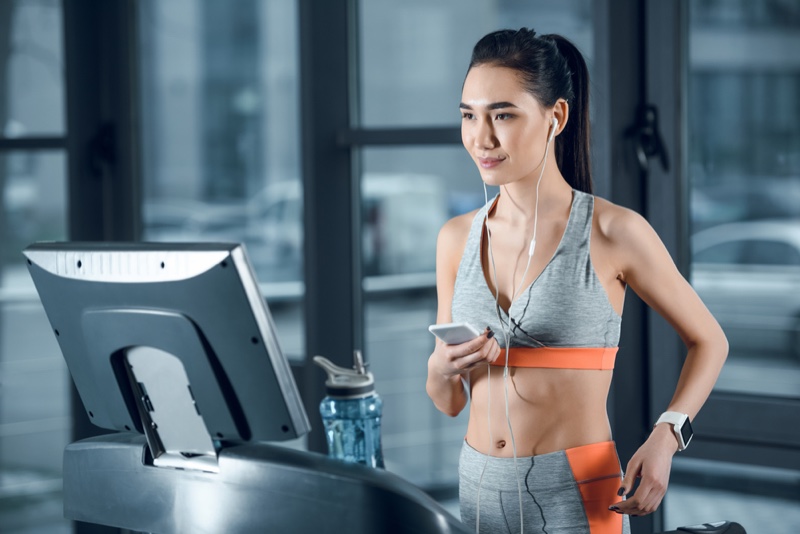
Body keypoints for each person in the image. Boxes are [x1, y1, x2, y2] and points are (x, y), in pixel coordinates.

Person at [425, 28, 728, 534]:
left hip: (575, 490)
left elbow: (709, 340)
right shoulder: (455, 238)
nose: (482, 137)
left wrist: (666, 436)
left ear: (556, 117)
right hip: (477, 485)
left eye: (502, 114)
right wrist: (439, 369)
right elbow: (451, 400)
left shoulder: (614, 232)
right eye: (468, 115)